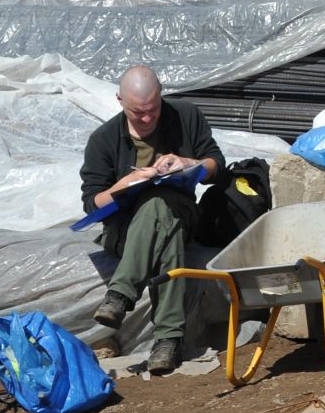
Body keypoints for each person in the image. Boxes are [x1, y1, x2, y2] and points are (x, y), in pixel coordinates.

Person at [79, 65, 224, 375]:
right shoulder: (103, 140)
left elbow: (217, 165)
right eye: (137, 113)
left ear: (161, 97)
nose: (146, 119)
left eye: (153, 110)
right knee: (164, 226)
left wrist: (189, 163)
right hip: (127, 229)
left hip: (184, 214)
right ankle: (168, 341)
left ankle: (120, 295)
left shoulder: (185, 116)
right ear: (119, 101)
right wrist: (127, 184)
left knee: (161, 203)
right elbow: (92, 204)